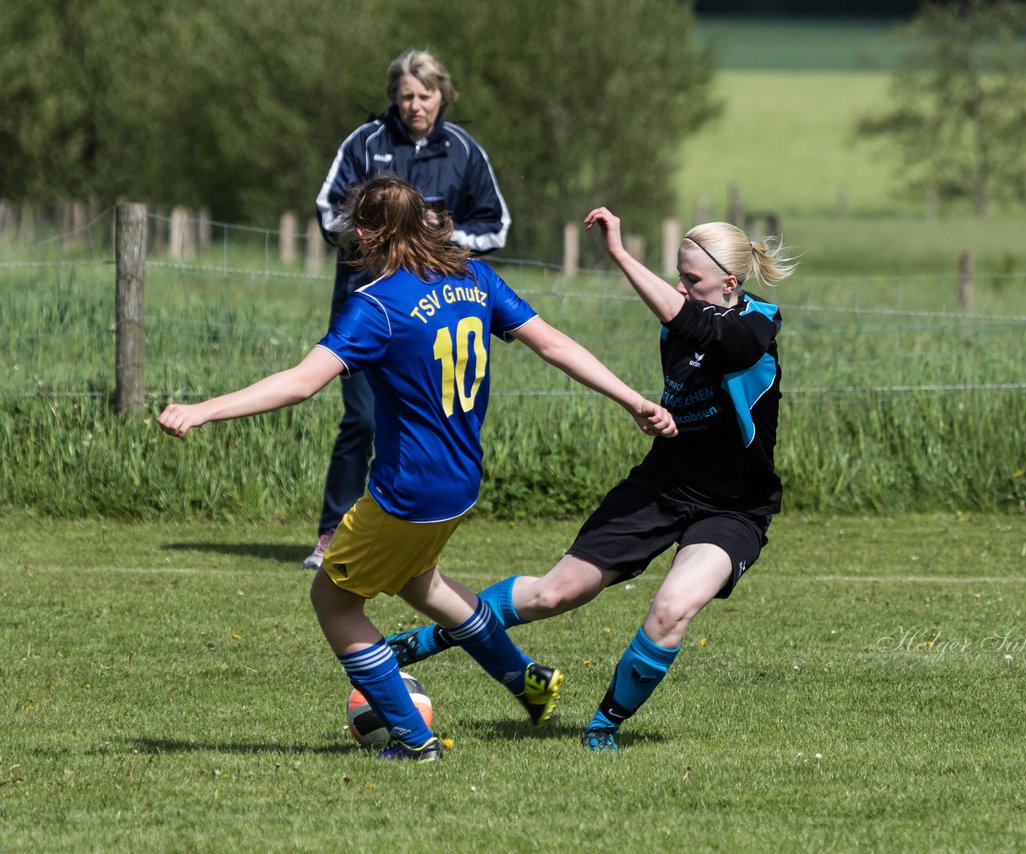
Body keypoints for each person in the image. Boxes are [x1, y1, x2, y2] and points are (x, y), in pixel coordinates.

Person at [158, 179, 676, 761]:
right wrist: (633, 398)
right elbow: (553, 344)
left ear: (362, 233)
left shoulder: (375, 305)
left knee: (333, 603)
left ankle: (414, 738)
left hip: (406, 491)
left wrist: (203, 409)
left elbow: (301, 383)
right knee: (420, 583)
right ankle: (525, 681)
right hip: (460, 481)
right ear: (426, 223)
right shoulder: (472, 278)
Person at [386, 205, 797, 751]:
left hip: (734, 507)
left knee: (673, 607)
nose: (678, 286)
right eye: (677, 273)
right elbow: (690, 343)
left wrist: (620, 255)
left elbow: (701, 329)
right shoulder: (686, 316)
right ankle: (425, 640)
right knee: (554, 594)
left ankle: (603, 726)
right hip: (663, 486)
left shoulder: (757, 328)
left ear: (731, 282)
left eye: (690, 279)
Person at [306, 47, 512, 571]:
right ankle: (333, 531)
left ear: (443, 96)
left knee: (422, 417)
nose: (415, 105)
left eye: (425, 95)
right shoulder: (365, 143)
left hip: (434, 311)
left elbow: (497, 225)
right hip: (371, 304)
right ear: (393, 98)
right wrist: (373, 233)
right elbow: (328, 209)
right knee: (361, 417)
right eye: (406, 96)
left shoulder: (464, 150)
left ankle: (408, 526)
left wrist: (443, 237)